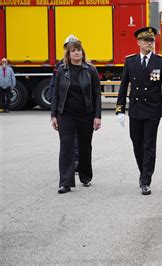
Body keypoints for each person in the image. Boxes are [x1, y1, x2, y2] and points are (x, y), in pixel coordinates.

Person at [115, 26, 162, 196]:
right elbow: (124, 85)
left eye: (151, 40)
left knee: (149, 145)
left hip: (152, 110)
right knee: (137, 144)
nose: (149, 43)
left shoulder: (161, 62)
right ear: (138, 42)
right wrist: (120, 109)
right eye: (146, 40)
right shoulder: (130, 61)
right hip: (136, 109)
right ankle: (143, 172)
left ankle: (145, 180)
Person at [50, 41, 102, 194]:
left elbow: (97, 95)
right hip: (65, 115)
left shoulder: (90, 70)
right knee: (66, 146)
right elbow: (56, 94)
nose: (76, 53)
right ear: (69, 54)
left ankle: (85, 176)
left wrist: (97, 116)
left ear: (82, 52)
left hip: (86, 114)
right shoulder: (62, 70)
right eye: (73, 51)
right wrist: (53, 115)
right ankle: (65, 182)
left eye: (79, 50)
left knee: (85, 146)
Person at [49, 34, 82, 172]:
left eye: (76, 47)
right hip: (65, 109)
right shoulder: (60, 66)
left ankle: (79, 160)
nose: (74, 51)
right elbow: (54, 87)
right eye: (70, 48)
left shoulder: (85, 65)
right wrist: (54, 109)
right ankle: (74, 161)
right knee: (69, 138)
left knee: (79, 137)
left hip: (80, 109)